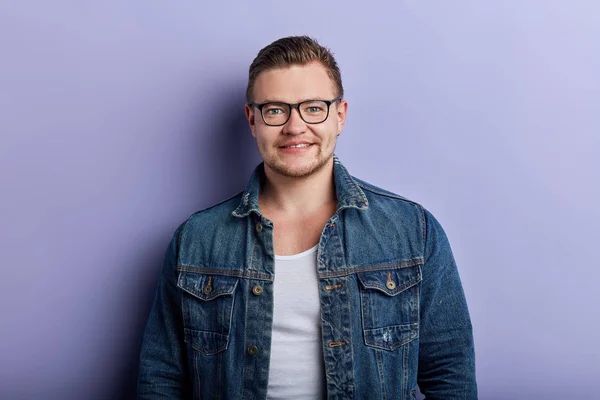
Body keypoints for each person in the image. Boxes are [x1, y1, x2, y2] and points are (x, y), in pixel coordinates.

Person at [137, 35, 477, 400]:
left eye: (313, 108)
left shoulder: (413, 232)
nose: (295, 127)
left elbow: (451, 378)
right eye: (275, 109)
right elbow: (161, 380)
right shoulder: (196, 240)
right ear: (252, 120)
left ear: (340, 116)